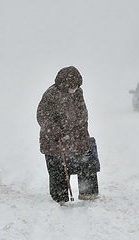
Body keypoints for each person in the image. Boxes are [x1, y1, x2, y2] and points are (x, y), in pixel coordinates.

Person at [37, 66, 100, 205]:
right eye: (71, 85)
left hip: (75, 138)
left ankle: (88, 194)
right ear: (63, 83)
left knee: (87, 162)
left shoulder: (78, 93)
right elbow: (42, 116)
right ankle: (60, 199)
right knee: (58, 169)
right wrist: (53, 129)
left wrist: (83, 135)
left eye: (77, 85)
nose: (74, 88)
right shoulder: (51, 94)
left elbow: (82, 114)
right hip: (54, 141)